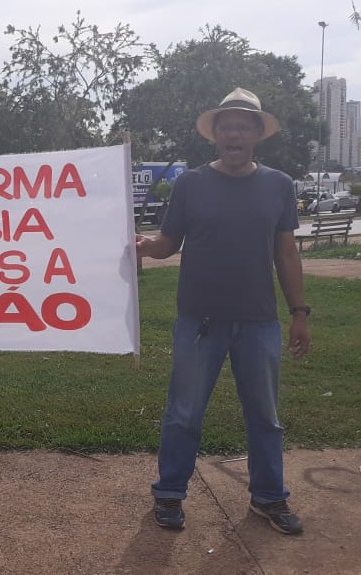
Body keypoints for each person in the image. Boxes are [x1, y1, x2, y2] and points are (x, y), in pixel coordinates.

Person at [136, 88, 310, 535]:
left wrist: (299, 312)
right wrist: (142, 247)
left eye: (243, 126)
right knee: (184, 413)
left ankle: (269, 498)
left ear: (256, 134)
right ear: (215, 135)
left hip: (259, 322)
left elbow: (287, 253)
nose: (234, 134)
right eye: (226, 126)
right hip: (200, 321)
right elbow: (168, 242)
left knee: (265, 418)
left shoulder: (279, 185)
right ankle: (169, 495)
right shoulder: (191, 184)